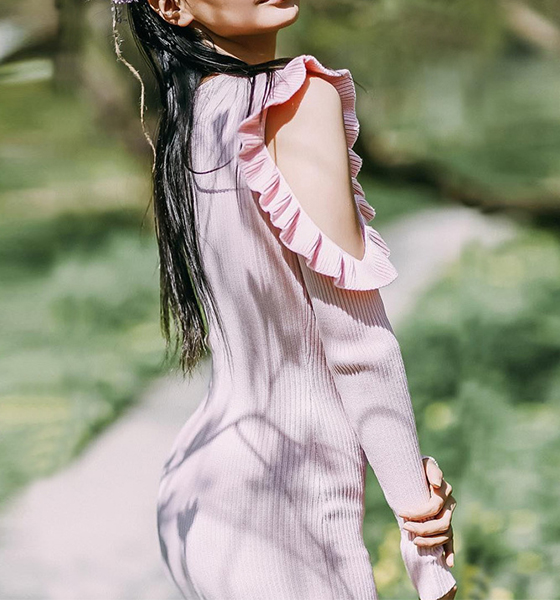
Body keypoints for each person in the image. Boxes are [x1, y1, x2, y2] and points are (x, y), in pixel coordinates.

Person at [110, 0, 458, 598]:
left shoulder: (193, 116)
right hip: (280, 511)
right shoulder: (295, 99)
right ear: (170, 7)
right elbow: (356, 345)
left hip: (201, 494)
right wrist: (422, 529)